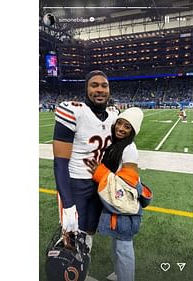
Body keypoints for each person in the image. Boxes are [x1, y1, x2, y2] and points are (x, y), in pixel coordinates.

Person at [52, 70, 118, 253]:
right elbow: (60, 162)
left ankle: (82, 270)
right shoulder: (73, 111)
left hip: (99, 182)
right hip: (76, 182)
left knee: (89, 231)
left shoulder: (113, 115)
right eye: (94, 85)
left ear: (109, 89)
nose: (100, 90)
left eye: (104, 85)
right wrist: (67, 202)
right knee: (71, 234)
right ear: (86, 89)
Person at [87, 107, 153, 281]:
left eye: (127, 127)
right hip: (118, 202)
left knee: (123, 246)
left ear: (133, 131)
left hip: (124, 203)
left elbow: (129, 181)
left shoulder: (129, 148)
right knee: (118, 242)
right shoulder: (117, 144)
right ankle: (120, 274)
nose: (121, 128)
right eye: (120, 123)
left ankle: (126, 277)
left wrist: (100, 173)